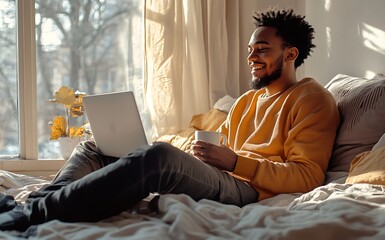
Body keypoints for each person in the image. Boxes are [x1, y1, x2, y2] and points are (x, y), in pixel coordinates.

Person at [0, 8, 339, 231]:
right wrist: (206, 158)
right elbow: (224, 152)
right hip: (226, 176)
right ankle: (33, 204)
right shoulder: (247, 101)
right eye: (250, 49)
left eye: (262, 49)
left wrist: (235, 161)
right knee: (95, 147)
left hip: (251, 190)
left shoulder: (313, 100)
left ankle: (30, 215)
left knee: (157, 156)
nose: (251, 57)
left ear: (290, 54)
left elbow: (307, 176)